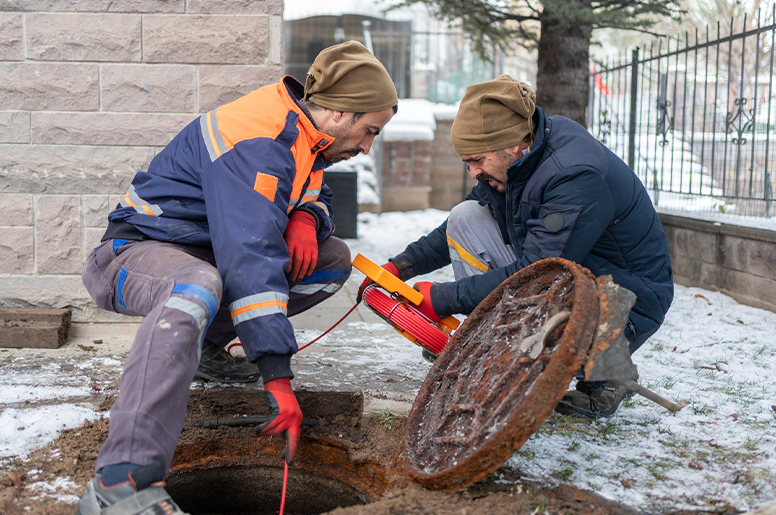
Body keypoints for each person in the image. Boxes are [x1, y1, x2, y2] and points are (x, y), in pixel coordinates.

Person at [77, 41, 398, 515]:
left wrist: (307, 217)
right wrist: (276, 374)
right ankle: (121, 482)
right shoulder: (257, 141)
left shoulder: (306, 137)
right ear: (337, 114)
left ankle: (209, 349)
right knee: (196, 286)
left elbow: (311, 190)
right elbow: (250, 255)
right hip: (130, 256)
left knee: (330, 260)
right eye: (369, 131)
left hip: (203, 253)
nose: (368, 145)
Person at [359, 75, 673, 420]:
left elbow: (538, 271)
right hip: (577, 273)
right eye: (467, 162)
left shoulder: (574, 175)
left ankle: (609, 372)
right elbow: (461, 226)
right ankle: (497, 345)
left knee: (539, 294)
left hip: (624, 303)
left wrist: (443, 297)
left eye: (477, 159)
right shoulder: (521, 160)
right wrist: (401, 265)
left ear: (512, 145)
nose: (472, 171)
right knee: (465, 217)